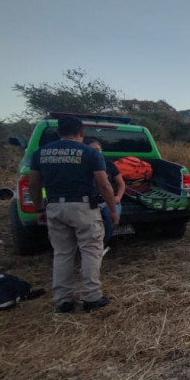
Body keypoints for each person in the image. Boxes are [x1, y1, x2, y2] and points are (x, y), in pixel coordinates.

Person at [29, 116, 119, 313]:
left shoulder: (40, 153)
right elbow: (104, 185)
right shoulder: (90, 153)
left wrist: (39, 209)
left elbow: (33, 184)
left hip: (54, 207)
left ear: (59, 132)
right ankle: (92, 298)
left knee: (62, 253)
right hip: (84, 208)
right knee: (91, 252)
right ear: (81, 133)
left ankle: (64, 300)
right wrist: (112, 210)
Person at [87, 139, 125, 253]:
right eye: (92, 150)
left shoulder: (109, 164)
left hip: (109, 201)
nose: (95, 152)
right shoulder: (82, 166)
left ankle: (103, 244)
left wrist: (118, 197)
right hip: (88, 202)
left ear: (102, 151)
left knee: (110, 218)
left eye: (98, 150)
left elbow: (121, 184)